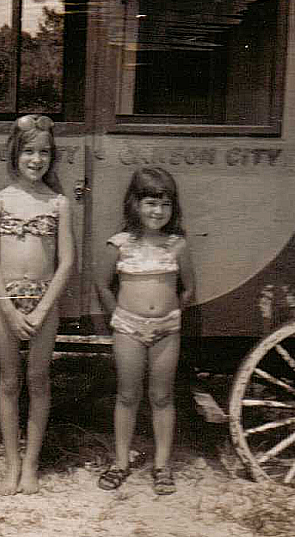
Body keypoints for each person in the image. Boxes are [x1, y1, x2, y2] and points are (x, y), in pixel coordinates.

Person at [0, 114, 75, 495]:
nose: (36, 160)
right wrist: (7, 307)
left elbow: (67, 261)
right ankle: (12, 463)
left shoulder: (58, 203)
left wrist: (39, 310)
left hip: (43, 303)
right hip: (5, 303)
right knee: (9, 381)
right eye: (29, 152)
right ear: (15, 155)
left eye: (44, 153)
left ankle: (32, 464)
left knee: (38, 380)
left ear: (52, 158)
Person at [95, 167, 195, 495]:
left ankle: (162, 465)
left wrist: (169, 314)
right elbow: (103, 284)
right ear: (134, 204)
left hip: (167, 329)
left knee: (162, 396)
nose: (158, 211)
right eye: (151, 203)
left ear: (173, 208)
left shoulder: (177, 245)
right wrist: (119, 317)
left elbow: (188, 288)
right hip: (127, 327)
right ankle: (121, 462)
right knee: (127, 395)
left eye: (165, 205)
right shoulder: (120, 244)